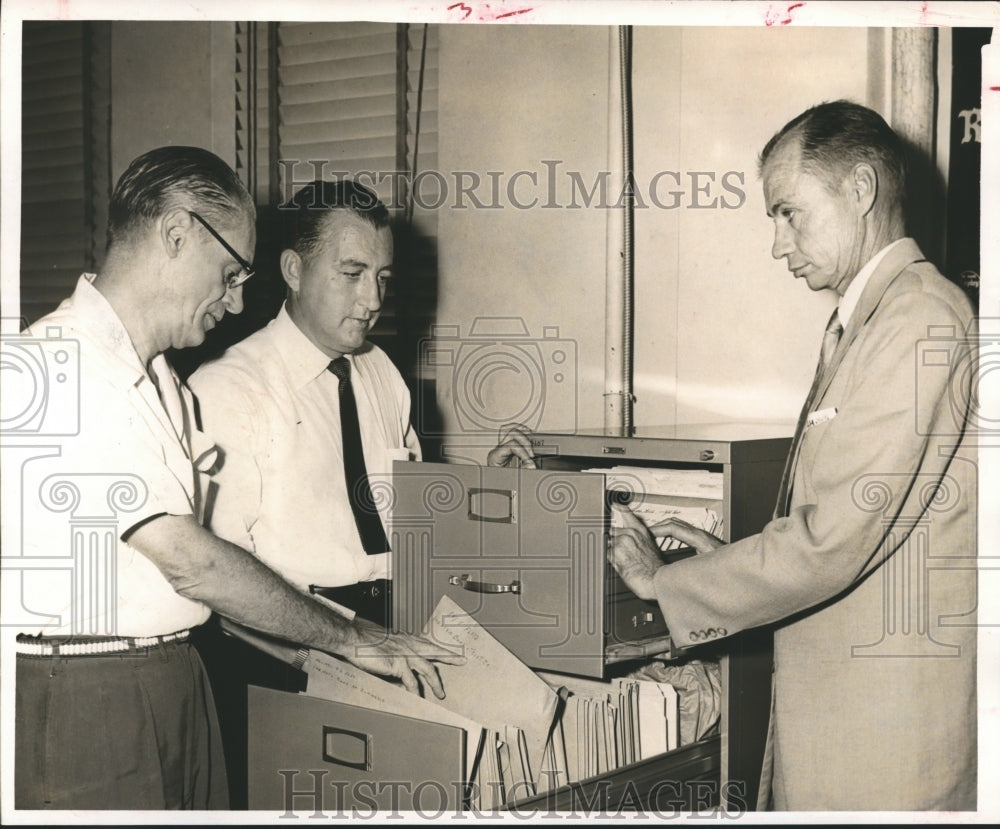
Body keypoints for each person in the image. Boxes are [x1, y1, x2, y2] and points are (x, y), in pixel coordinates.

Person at [6, 148, 457, 811]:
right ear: (176, 234)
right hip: (90, 687)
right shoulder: (62, 365)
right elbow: (195, 562)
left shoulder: (161, 381)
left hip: (173, 671)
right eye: (230, 271)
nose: (240, 295)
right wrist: (351, 639)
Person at [609, 101, 977, 810]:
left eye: (788, 213)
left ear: (861, 189)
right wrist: (720, 557)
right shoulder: (874, 319)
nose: (779, 245)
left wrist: (665, 584)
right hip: (853, 724)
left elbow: (831, 539)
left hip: (885, 747)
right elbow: (860, 528)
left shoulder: (919, 318)